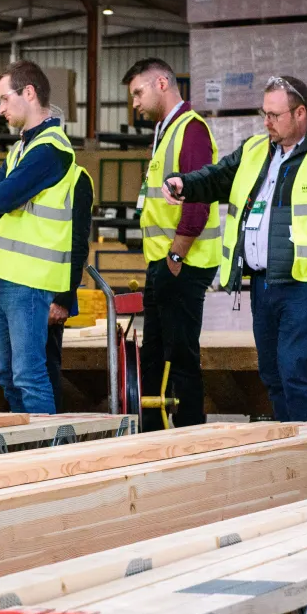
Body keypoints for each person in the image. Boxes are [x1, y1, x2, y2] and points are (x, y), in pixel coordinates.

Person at [162, 75, 307, 422]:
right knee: (272, 374)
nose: (266, 122)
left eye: (275, 114)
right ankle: (289, 449)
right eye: (264, 113)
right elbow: (217, 177)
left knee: (297, 373)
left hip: (305, 286)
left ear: (300, 113)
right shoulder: (256, 149)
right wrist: (186, 184)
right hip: (262, 284)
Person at [0, 60, 78, 415]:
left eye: (5, 99)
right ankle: (25, 445)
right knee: (6, 375)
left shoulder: (51, 150)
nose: (0, 109)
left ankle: (45, 457)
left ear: (29, 93)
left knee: (29, 374)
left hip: (28, 281)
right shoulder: (21, 148)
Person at [124, 57, 220, 429]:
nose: (134, 103)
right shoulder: (167, 130)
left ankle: (190, 435)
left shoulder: (190, 130)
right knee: (155, 357)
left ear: (162, 83)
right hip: (164, 262)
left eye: (138, 92)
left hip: (182, 262)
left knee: (180, 357)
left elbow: (198, 200)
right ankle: (154, 436)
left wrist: (176, 256)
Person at [45, 167, 94, 413]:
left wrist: (63, 299)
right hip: (21, 288)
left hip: (51, 292)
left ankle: (49, 440)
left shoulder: (77, 179)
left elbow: (77, 245)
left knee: (44, 367)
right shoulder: (23, 165)